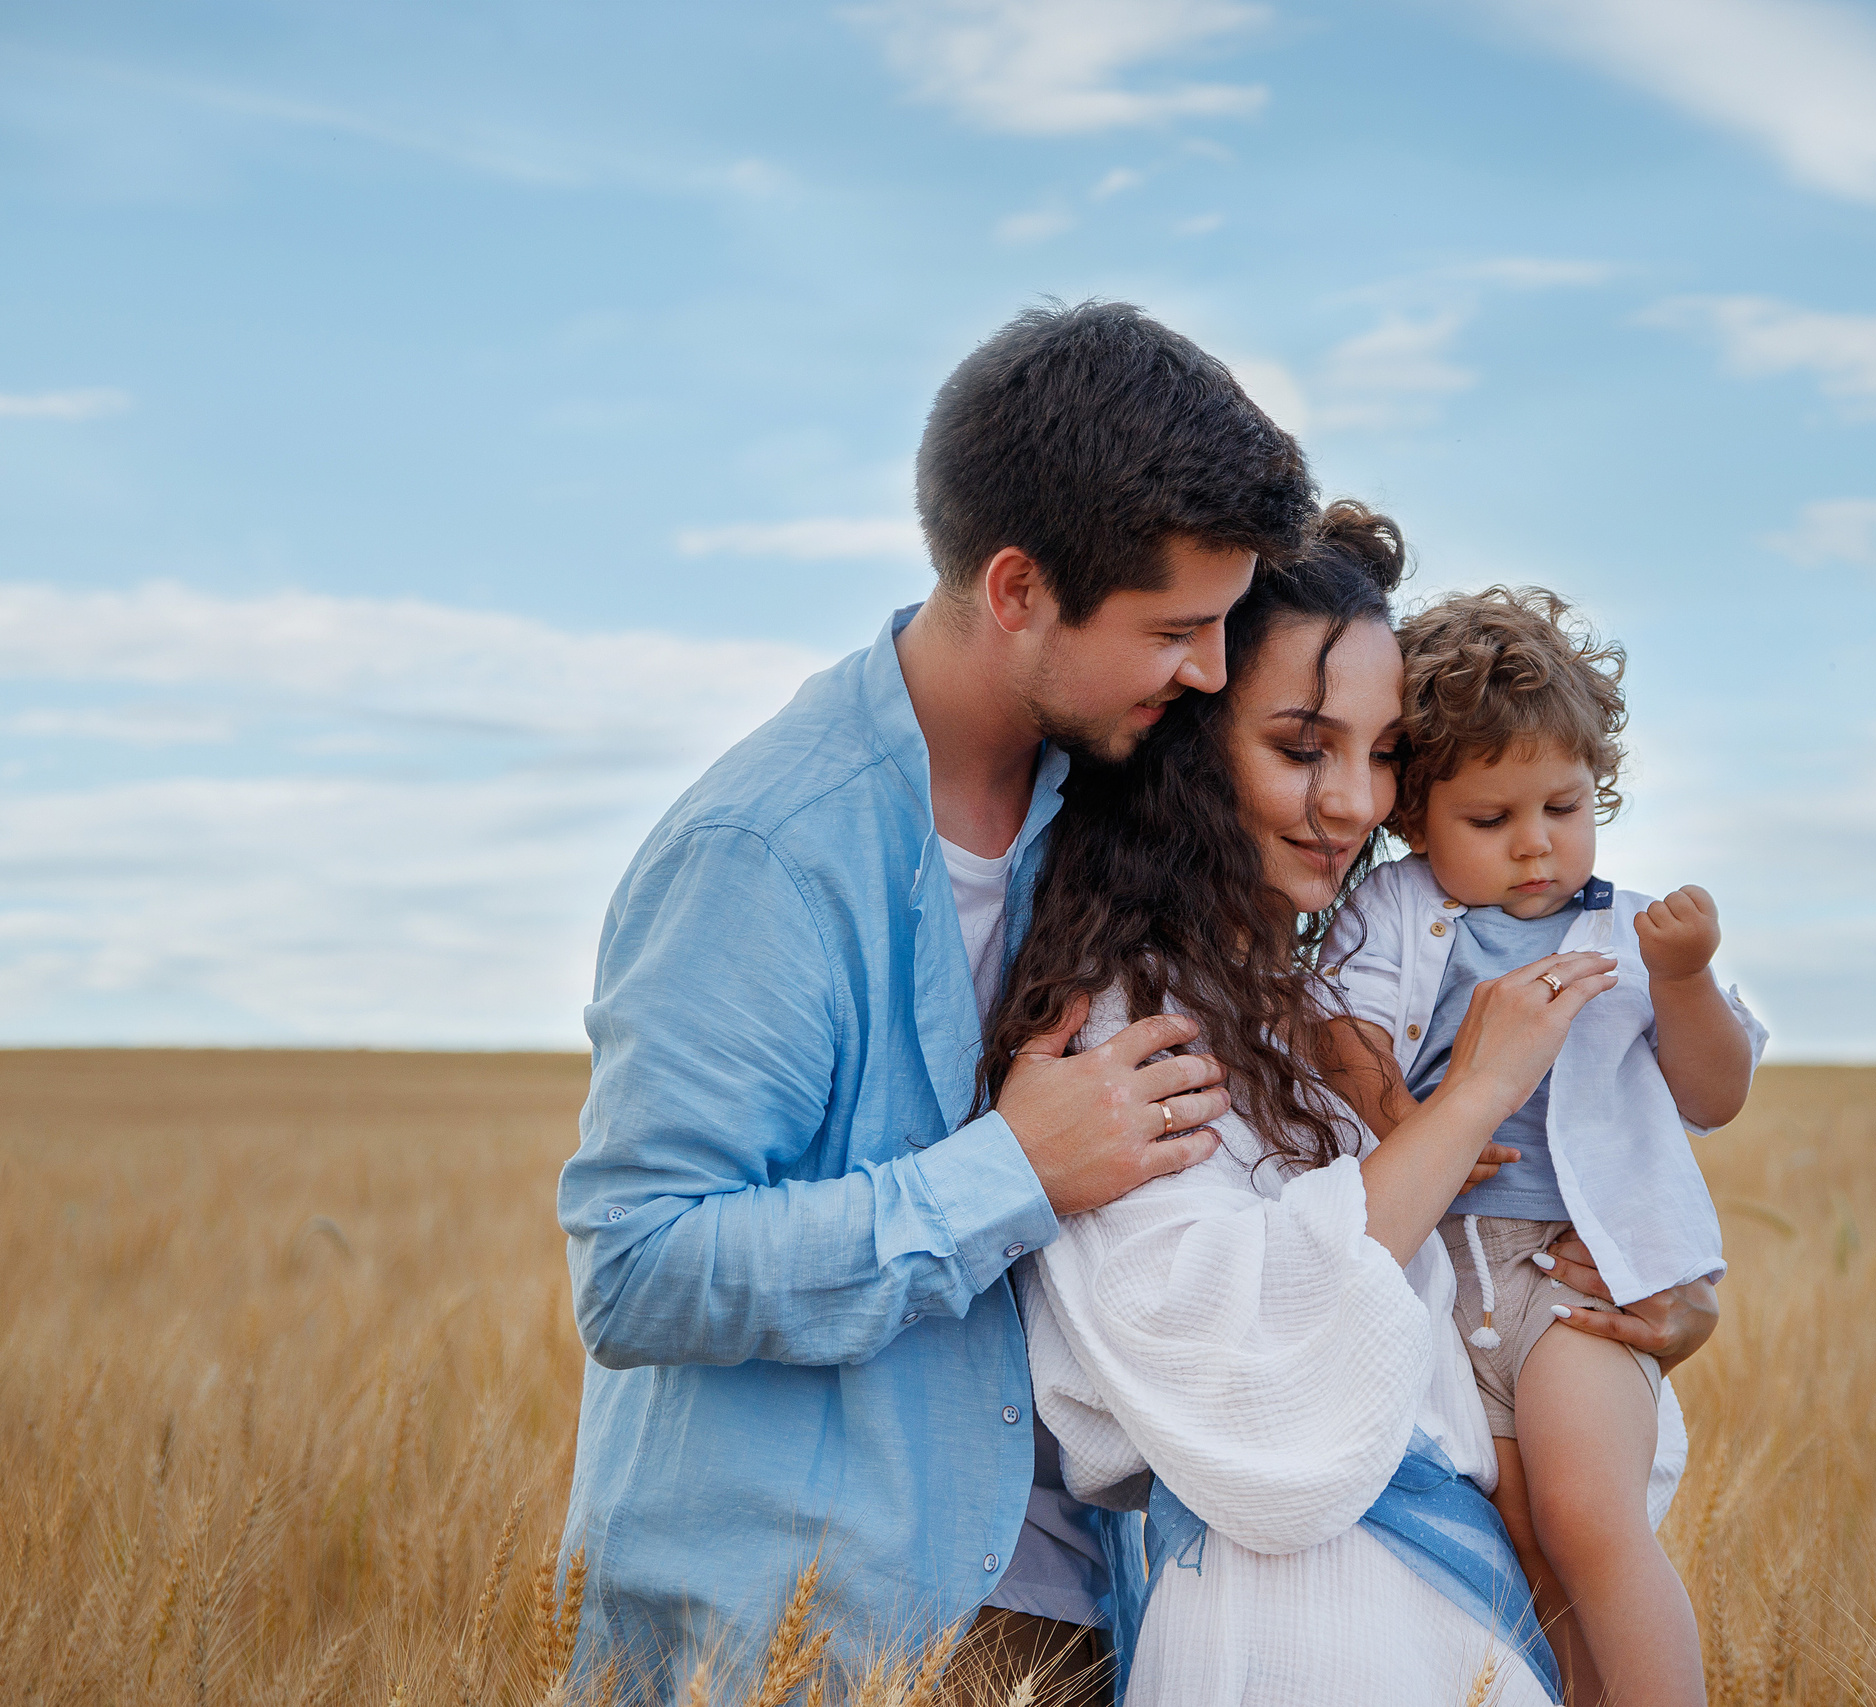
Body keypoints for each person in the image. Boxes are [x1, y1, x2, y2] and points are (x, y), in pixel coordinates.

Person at [552, 301, 1315, 1700]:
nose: (1209, 670)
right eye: (1175, 629)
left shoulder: (1112, 799)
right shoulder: (766, 852)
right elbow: (638, 1267)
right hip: (793, 1643)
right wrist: (1010, 1171)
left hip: (1068, 1611)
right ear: (1018, 589)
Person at [983, 507, 1715, 1707]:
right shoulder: (1123, 1027)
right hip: (1301, 1634)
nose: (1355, 803)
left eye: (1382, 756)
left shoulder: (1317, 1012)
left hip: (1453, 1615)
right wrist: (1475, 1093)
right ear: (1186, 746)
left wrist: (1627, 1304)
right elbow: (1233, 1350)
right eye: (1299, 746)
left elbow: (1452, 1306)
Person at [1317, 587, 1767, 1707]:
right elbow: (1341, 1028)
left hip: (1573, 1272)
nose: (1536, 846)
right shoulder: (1390, 906)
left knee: (1586, 1517)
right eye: (1491, 819)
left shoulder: (1632, 928)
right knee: (1513, 1532)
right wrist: (1411, 1122)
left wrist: (1685, 978)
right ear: (1416, 819)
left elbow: (1714, 1095)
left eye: (1564, 807)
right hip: (1437, 1270)